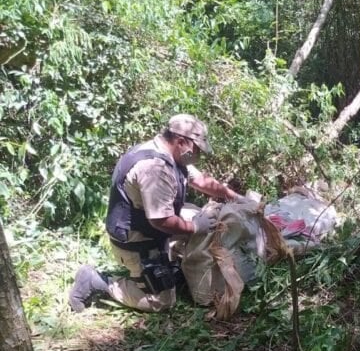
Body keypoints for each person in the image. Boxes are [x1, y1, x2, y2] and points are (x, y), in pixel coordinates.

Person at [68, 114, 244, 313]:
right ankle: (97, 281)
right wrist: (195, 227)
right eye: (197, 150)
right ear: (181, 141)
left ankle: (175, 261)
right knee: (161, 301)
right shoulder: (154, 168)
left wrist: (235, 197)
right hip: (137, 239)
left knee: (201, 214)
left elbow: (202, 181)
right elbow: (161, 221)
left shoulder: (169, 154)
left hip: (150, 224)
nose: (198, 156)